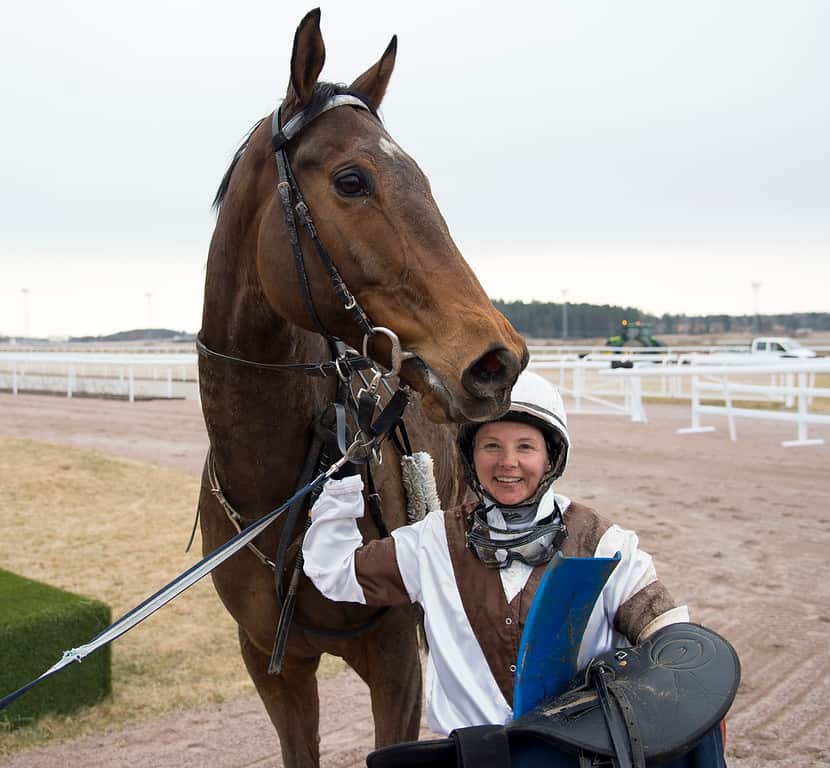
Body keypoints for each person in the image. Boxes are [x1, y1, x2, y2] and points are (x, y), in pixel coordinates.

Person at [302, 371, 691, 736]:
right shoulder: (433, 541)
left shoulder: (605, 544)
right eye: (492, 446)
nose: (508, 462)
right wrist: (342, 482)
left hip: (579, 753)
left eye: (525, 447)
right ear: (472, 456)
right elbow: (335, 571)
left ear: (550, 458)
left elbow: (670, 637)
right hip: (469, 753)